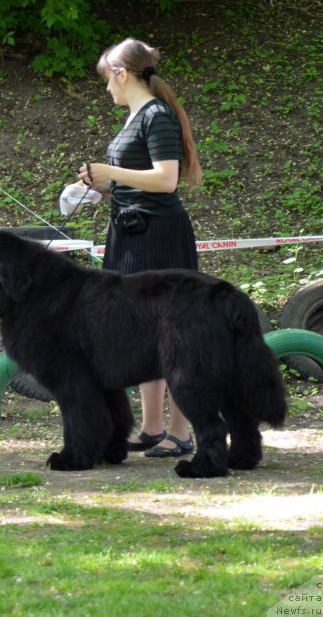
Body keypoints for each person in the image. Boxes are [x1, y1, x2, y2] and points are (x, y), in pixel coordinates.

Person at [76, 38, 203, 458]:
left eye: (106, 80)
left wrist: (110, 169)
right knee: (143, 332)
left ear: (122, 74)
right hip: (130, 234)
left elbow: (166, 180)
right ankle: (151, 428)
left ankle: (181, 432)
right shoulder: (136, 117)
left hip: (158, 236)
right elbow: (136, 178)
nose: (106, 89)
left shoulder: (158, 116)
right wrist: (98, 185)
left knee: (173, 333)